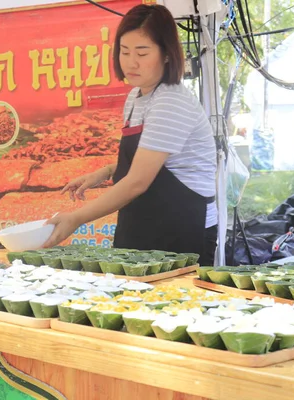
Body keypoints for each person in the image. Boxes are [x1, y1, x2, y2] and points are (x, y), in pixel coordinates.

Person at [43, 4, 218, 265]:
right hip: (143, 219)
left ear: (167, 54)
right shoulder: (137, 96)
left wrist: (75, 218)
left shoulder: (171, 101)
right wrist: (105, 171)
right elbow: (153, 160)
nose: (131, 62)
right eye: (124, 51)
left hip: (181, 227)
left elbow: (138, 180)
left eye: (142, 52)